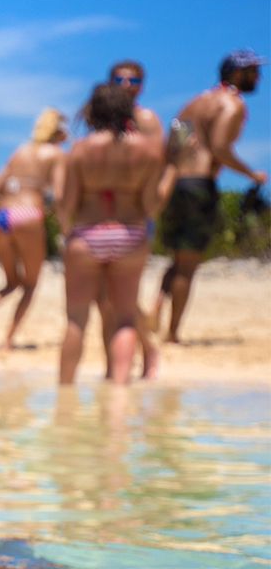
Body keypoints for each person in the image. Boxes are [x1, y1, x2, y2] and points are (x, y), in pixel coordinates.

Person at [149, 50, 267, 345]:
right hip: (200, 185)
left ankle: (155, 308)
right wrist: (251, 174)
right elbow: (220, 148)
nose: (259, 77)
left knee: (177, 258)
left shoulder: (193, 103)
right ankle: (172, 333)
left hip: (176, 184)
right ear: (237, 73)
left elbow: (172, 147)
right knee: (188, 266)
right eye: (253, 71)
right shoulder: (232, 103)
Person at [57, 84, 166, 387]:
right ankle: (119, 394)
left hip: (87, 235)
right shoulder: (149, 149)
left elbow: (66, 203)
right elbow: (150, 206)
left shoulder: (80, 148)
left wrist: (68, 231)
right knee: (126, 319)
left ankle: (64, 399)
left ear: (92, 110)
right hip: (130, 234)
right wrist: (173, 171)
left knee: (76, 319)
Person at [0, 107, 67, 348]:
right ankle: (8, 338)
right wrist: (66, 229)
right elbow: (61, 196)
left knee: (12, 281)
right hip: (29, 214)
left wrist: (11, 203)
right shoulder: (55, 154)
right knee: (31, 283)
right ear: (58, 131)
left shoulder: (19, 151)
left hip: (3, 215)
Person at [97, 60, 167, 377]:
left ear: (142, 84)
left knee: (121, 291)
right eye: (119, 79)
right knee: (104, 293)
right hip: (101, 214)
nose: (126, 84)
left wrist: (151, 206)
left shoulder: (146, 119)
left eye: (133, 79)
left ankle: (148, 350)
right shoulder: (101, 121)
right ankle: (115, 363)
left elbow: (163, 162)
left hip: (137, 212)